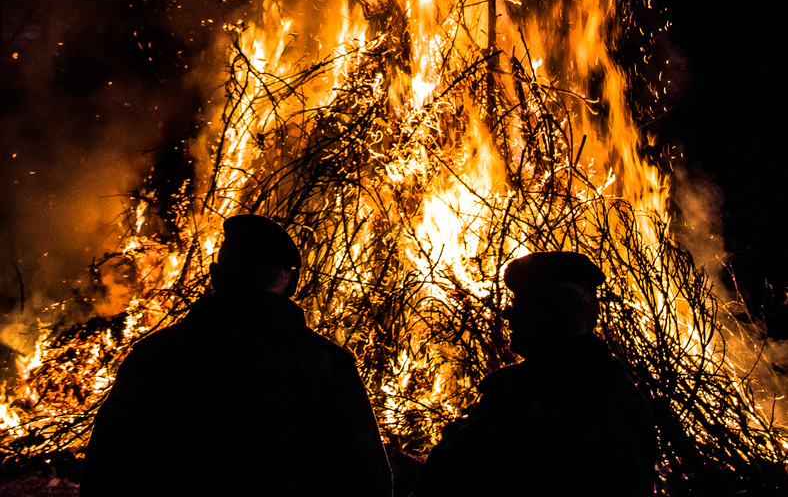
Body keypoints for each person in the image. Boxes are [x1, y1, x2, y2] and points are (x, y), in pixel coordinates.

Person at [80, 214, 392, 497]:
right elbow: (369, 479)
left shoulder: (155, 358)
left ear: (215, 275)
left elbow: (105, 474)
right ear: (292, 283)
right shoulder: (328, 366)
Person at [414, 250, 657, 497]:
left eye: (518, 303)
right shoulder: (621, 393)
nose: (506, 314)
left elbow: (458, 476)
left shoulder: (526, 398)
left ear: (548, 312)